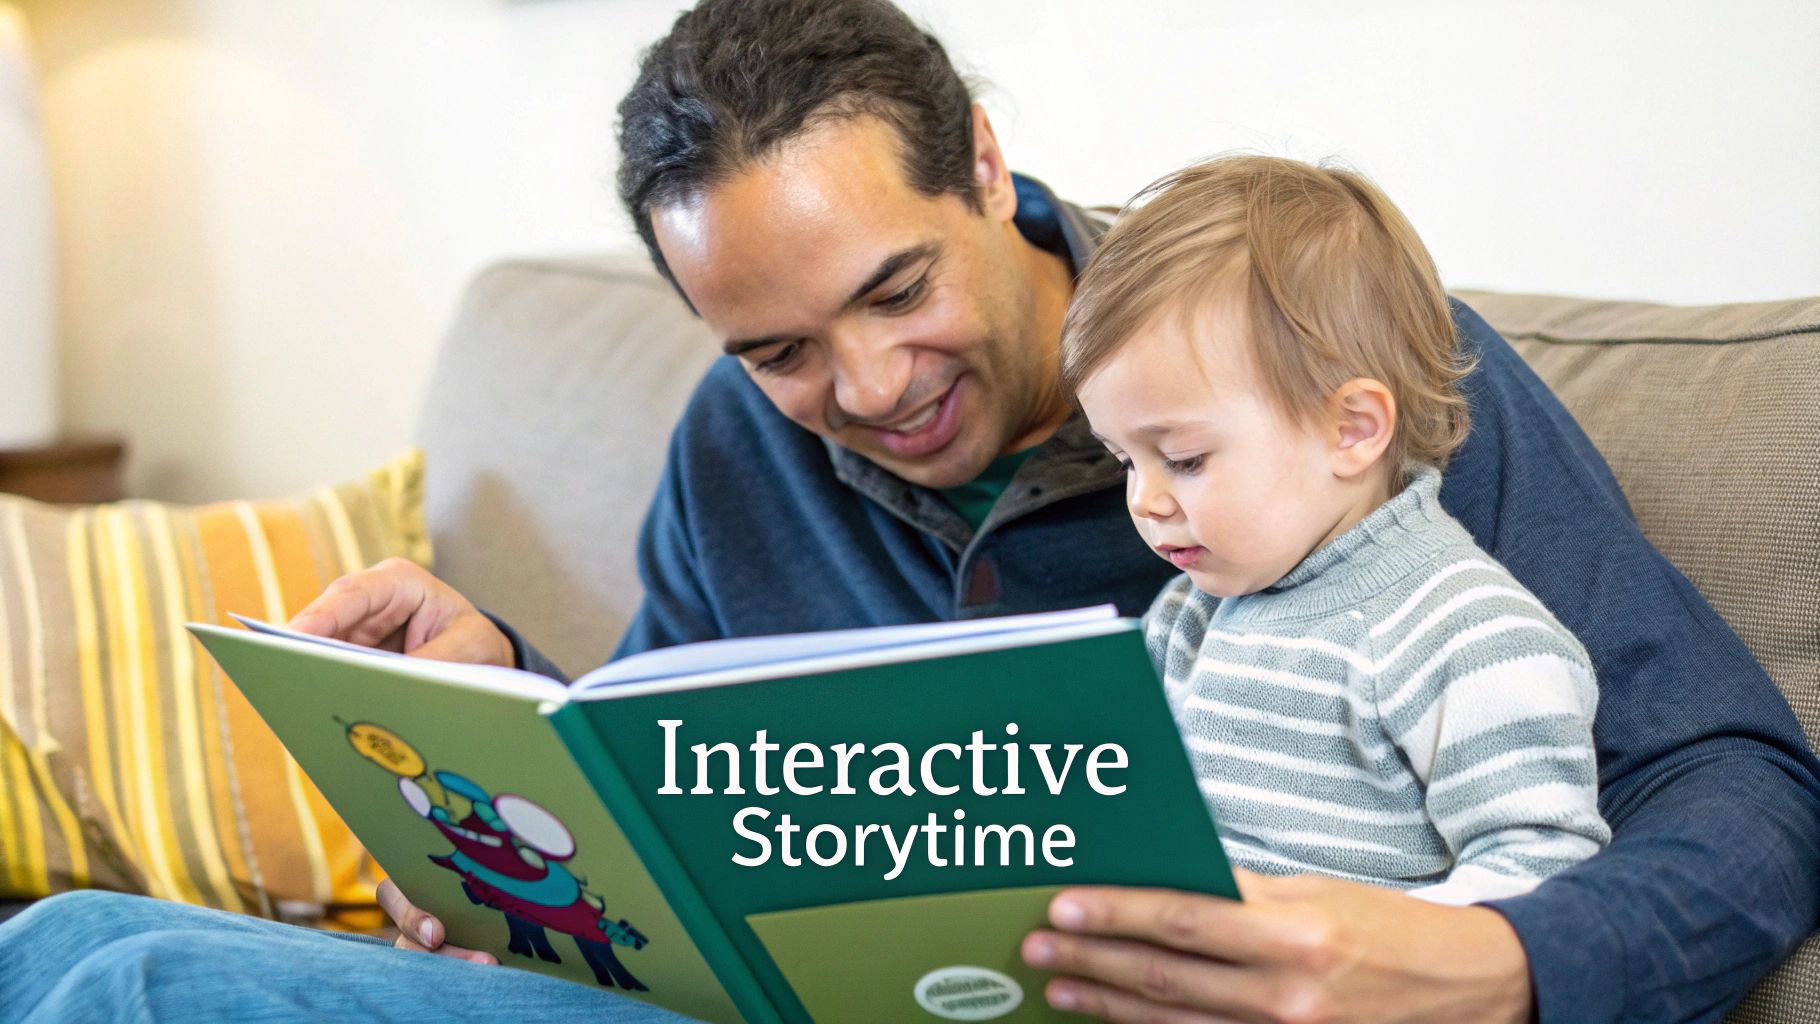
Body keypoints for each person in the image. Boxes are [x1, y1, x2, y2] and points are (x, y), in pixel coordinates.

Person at [2, 1, 1815, 1021]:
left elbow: (1741, 779)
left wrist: (1497, 960)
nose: (862, 391)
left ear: (989, 174)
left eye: (894, 291)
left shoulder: (1324, 380)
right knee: (53, 939)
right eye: (782, 344)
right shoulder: (739, 442)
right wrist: (512, 727)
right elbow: (682, 776)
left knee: (127, 979)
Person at [1063, 154, 1611, 906]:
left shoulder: (1471, 640)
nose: (1146, 501)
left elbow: (1538, 869)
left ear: (1351, 429)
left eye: (1184, 459)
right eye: (1125, 459)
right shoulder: (1188, 616)